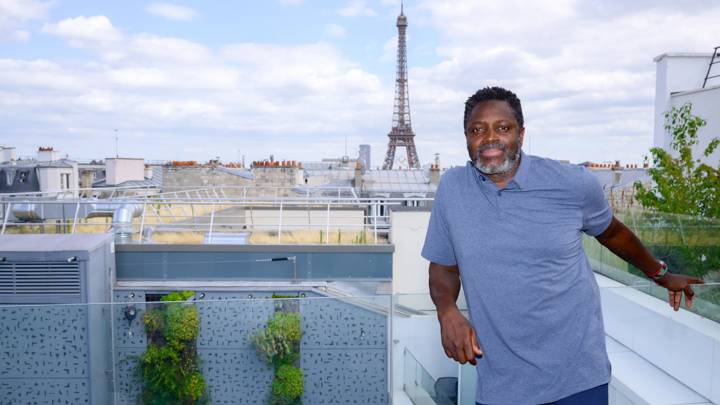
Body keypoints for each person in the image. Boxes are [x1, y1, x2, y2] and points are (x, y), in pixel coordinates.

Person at [421, 86, 705, 405]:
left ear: (522, 134)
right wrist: (446, 311)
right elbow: (444, 267)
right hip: (501, 386)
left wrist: (660, 273)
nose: (489, 138)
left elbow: (611, 233)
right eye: (477, 129)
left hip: (578, 380)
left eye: (503, 127)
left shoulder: (572, 183)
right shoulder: (452, 189)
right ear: (466, 138)